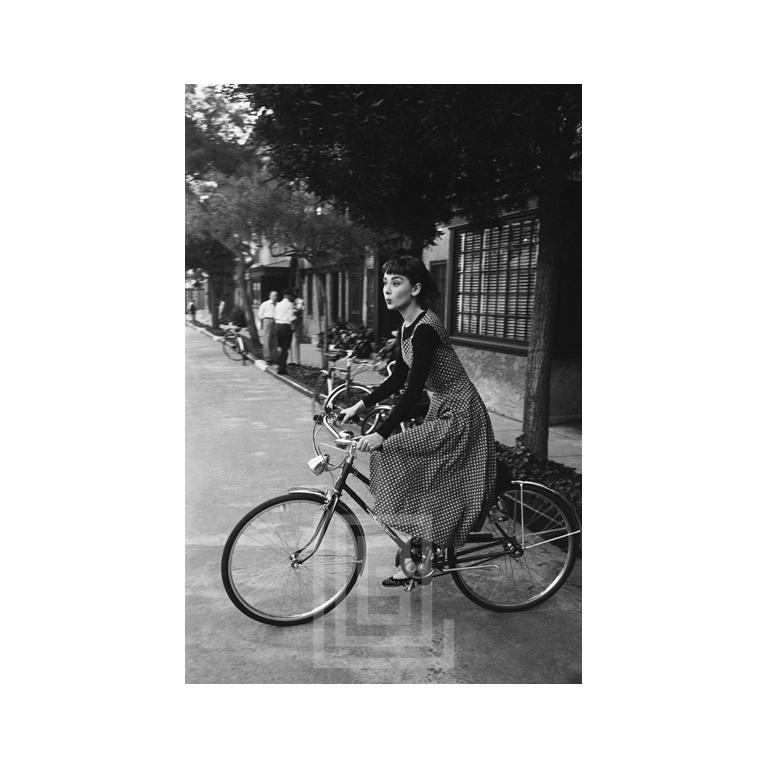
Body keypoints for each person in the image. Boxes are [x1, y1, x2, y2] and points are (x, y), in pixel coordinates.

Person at [340, 255, 496, 587]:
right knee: (424, 475)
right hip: (442, 408)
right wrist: (362, 404)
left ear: (416, 288)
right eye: (385, 282)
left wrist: (382, 433)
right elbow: (398, 379)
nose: (387, 289)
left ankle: (422, 550)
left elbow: (411, 393)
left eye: (396, 283)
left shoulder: (425, 328)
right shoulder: (407, 327)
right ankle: (421, 552)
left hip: (460, 412)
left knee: (393, 450)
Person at [274, 289, 296, 375]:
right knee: (285, 348)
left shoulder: (278, 304)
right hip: (285, 327)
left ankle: (278, 364)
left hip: (277, 326)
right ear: (288, 296)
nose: (292, 297)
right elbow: (291, 317)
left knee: (279, 347)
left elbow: (275, 315)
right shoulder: (290, 304)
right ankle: (281, 368)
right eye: (291, 295)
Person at [258, 291, 279, 364]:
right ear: (270, 296)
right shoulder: (265, 304)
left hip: (276, 321)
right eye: (273, 295)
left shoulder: (278, 304)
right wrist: (262, 323)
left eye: (276, 296)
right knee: (267, 339)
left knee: (275, 340)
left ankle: (274, 357)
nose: (275, 297)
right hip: (267, 320)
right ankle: (267, 358)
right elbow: (260, 314)